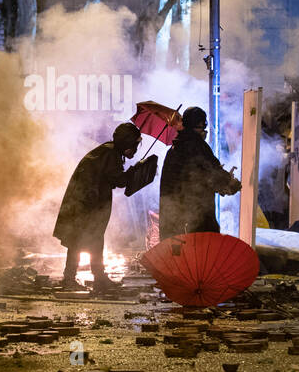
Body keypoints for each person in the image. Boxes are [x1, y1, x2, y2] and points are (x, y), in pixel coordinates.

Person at [53, 122, 142, 291]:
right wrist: (134, 171)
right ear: (126, 142)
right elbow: (119, 180)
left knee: (87, 240)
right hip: (86, 204)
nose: (135, 149)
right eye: (134, 145)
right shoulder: (110, 154)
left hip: (85, 203)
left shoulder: (107, 151)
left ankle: (92, 278)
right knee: (79, 240)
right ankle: (73, 279)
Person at [158, 106, 243, 237]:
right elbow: (212, 174)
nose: (204, 131)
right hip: (196, 219)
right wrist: (230, 183)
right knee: (202, 254)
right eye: (202, 127)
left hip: (173, 221)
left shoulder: (174, 149)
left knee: (180, 256)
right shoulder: (197, 146)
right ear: (197, 125)